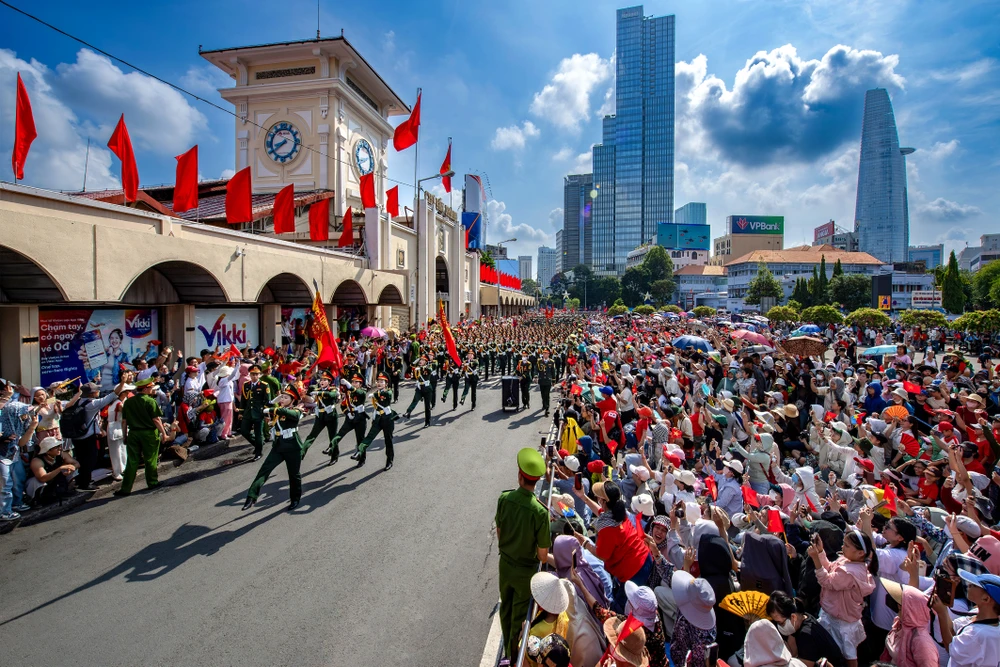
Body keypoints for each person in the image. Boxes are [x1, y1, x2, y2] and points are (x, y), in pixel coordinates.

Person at [495, 447, 552, 660]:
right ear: (536, 481)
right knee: (521, 617)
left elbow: (499, 531)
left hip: (505, 565)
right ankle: (512, 657)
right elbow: (544, 556)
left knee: (505, 610)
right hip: (526, 572)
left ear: (520, 476)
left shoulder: (505, 498)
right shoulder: (540, 512)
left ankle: (508, 650)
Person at [808, 528, 877, 667]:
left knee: (849, 655)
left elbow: (826, 581)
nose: (842, 547)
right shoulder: (847, 561)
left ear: (860, 553)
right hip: (834, 614)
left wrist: (815, 558)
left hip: (842, 621)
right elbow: (829, 569)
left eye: (846, 545)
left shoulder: (849, 572)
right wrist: (821, 552)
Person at [243, 383, 306, 511]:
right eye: (282, 397)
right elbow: (270, 408)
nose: (283, 400)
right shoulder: (279, 409)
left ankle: (295, 499)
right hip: (278, 446)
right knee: (264, 470)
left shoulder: (296, 410)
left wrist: (272, 409)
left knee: (294, 475)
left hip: (292, 446)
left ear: (293, 400)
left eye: (286, 398)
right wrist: (274, 402)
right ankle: (252, 496)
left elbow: (291, 415)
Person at [66, 377, 129, 491]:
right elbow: (113, 394)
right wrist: (123, 382)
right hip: (87, 436)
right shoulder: (93, 404)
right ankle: (85, 484)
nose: (98, 391)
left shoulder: (77, 401)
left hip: (76, 435)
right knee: (90, 459)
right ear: (92, 393)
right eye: (97, 390)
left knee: (81, 458)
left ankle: (82, 480)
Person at [931, 570, 1000, 667]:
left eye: (974, 585)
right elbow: (952, 628)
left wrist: (942, 613)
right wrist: (944, 605)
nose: (969, 584)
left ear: (986, 599)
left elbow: (950, 647)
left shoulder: (979, 634)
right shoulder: (979, 617)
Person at [115, 378, 167, 497]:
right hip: (148, 434)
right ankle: (152, 482)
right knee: (150, 459)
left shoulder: (128, 402)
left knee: (132, 461)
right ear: (144, 389)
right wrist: (164, 433)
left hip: (133, 433)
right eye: (150, 388)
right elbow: (156, 420)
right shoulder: (150, 401)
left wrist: (125, 436)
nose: (152, 390)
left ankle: (126, 488)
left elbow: (124, 421)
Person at [355, 374, 395, 471]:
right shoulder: (377, 392)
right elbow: (376, 407)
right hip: (377, 418)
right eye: (378, 381)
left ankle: (389, 460)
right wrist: (373, 418)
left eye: (382, 381)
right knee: (369, 437)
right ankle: (359, 452)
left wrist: (375, 394)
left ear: (386, 384)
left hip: (387, 419)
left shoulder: (388, 391)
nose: (379, 383)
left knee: (388, 440)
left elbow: (388, 395)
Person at [330, 375, 368, 464]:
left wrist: (348, 384)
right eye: (352, 382)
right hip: (350, 418)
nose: (354, 384)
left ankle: (362, 458)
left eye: (356, 382)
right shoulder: (348, 394)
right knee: (340, 433)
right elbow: (343, 405)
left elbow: (358, 393)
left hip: (360, 419)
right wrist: (347, 413)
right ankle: (331, 448)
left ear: (360, 384)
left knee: (360, 439)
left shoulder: (362, 392)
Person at [237, 365, 272, 462]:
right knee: (244, 431)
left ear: (259, 375)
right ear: (250, 374)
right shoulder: (246, 384)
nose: (254, 376)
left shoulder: (264, 385)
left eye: (256, 374)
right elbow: (243, 400)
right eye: (252, 374)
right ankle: (258, 444)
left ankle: (258, 452)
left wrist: (266, 414)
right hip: (248, 412)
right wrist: (241, 412)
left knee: (258, 434)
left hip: (258, 413)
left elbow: (267, 401)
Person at [302, 372, 338, 460]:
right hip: (320, 416)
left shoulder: (332, 389)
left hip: (331, 415)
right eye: (321, 380)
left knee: (332, 436)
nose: (322, 381)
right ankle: (301, 453)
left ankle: (334, 456)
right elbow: (308, 395)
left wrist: (319, 393)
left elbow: (332, 395)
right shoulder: (316, 389)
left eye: (325, 380)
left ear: (329, 382)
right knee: (312, 436)